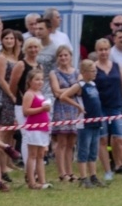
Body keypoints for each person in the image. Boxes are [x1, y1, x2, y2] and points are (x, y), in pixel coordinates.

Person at [93, 38, 122, 182]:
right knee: (102, 140)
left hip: (116, 108)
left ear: (109, 50)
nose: (103, 52)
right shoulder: (93, 68)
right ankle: (108, 171)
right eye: (100, 49)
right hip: (100, 109)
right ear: (97, 51)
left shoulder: (117, 66)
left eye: (106, 49)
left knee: (121, 139)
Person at [59, 60, 106, 188]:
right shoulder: (80, 85)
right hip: (84, 122)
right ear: (84, 72)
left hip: (96, 121)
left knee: (93, 150)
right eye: (92, 71)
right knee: (83, 150)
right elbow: (64, 96)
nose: (95, 73)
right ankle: (84, 178)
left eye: (95, 71)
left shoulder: (92, 84)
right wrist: (78, 106)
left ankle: (93, 175)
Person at [0, 29, 22, 181]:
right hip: (6, 97)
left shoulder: (16, 57)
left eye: (12, 38)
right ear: (2, 40)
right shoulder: (1, 57)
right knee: (4, 132)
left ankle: (8, 161)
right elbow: (1, 79)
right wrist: (11, 95)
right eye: (7, 38)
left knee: (11, 132)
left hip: (16, 96)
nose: (10, 41)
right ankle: (0, 165)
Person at [50, 46, 80, 182]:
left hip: (74, 108)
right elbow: (56, 92)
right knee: (61, 142)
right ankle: (62, 173)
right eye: (60, 55)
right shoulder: (54, 73)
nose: (63, 58)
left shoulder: (77, 72)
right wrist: (72, 89)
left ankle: (70, 171)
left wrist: (65, 91)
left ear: (70, 56)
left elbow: (80, 90)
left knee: (71, 142)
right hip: (61, 108)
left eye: (65, 55)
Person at [10, 37, 41, 166]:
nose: (33, 50)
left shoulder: (39, 65)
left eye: (35, 47)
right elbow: (13, 85)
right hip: (21, 104)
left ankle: (35, 166)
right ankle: (28, 166)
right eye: (30, 47)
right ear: (25, 49)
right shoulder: (21, 64)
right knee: (26, 136)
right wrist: (19, 98)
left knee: (35, 136)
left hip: (36, 105)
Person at [22, 70, 52, 189]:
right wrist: (41, 109)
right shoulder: (29, 94)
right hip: (34, 128)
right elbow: (26, 111)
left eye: (41, 79)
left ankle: (42, 180)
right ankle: (32, 182)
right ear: (29, 81)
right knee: (32, 155)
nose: (40, 82)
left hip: (43, 127)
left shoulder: (40, 93)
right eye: (37, 79)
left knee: (41, 155)